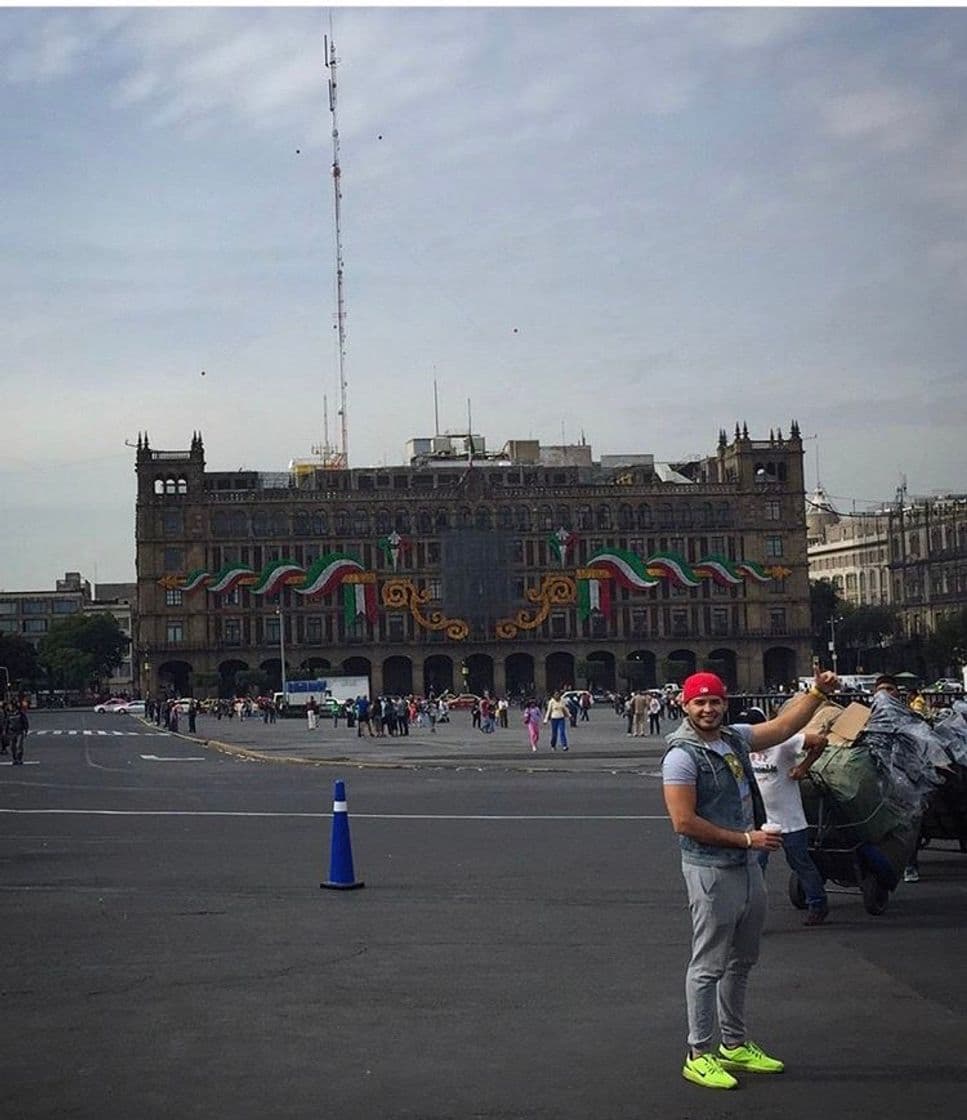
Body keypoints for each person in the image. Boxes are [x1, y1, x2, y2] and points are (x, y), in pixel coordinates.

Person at [662, 668, 839, 1091]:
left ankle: (734, 1043)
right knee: (707, 965)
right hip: (711, 869)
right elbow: (683, 821)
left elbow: (782, 727)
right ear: (685, 706)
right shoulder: (682, 756)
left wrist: (816, 692)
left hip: (745, 865)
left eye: (715, 701)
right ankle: (698, 1052)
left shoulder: (734, 738)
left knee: (742, 960)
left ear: (725, 704)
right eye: (699, 702)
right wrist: (746, 838)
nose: (708, 708)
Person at [746, 708, 830, 926]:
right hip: (761, 822)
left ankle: (818, 904)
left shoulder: (783, 741)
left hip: (790, 818)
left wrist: (803, 767)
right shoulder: (742, 746)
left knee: (800, 863)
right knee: (755, 868)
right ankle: (750, 914)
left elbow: (820, 742)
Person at [873, 675, 923, 883]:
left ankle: (909, 863)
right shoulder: (864, 717)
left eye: (889, 689)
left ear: (897, 693)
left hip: (904, 777)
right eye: (881, 689)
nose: (885, 693)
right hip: (876, 777)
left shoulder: (910, 717)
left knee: (908, 821)